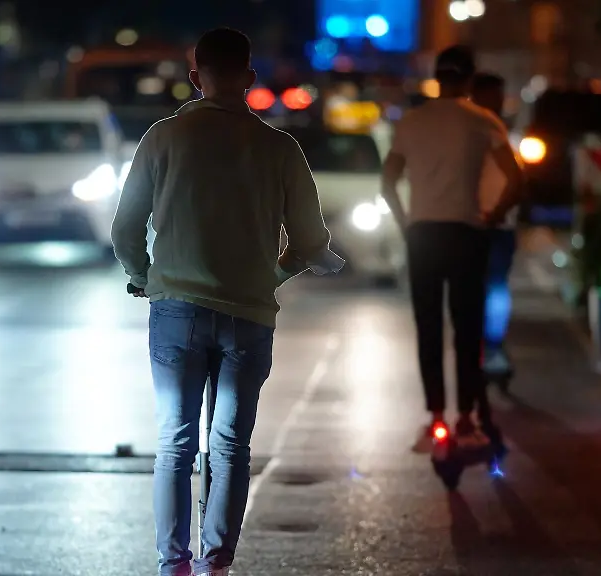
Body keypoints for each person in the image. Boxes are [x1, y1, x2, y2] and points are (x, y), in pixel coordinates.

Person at [111, 27, 340, 576]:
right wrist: (271, 276)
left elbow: (124, 231)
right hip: (248, 316)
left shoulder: (162, 139)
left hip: (175, 311)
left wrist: (146, 278)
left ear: (196, 78)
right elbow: (310, 244)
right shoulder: (280, 148)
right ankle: (218, 561)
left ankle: (174, 563)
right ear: (251, 80)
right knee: (231, 445)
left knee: (174, 443)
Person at [379, 45, 523, 449]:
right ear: (469, 78)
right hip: (467, 232)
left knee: (427, 325)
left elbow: (388, 181)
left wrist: (406, 222)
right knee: (467, 327)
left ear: (437, 76)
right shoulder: (482, 121)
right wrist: (492, 216)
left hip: (423, 232)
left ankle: (435, 415)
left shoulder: (411, 121)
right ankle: (465, 417)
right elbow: (514, 179)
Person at [470, 72, 518, 378]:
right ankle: (490, 346)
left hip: (486, 221)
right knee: (493, 285)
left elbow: (515, 177)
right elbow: (515, 177)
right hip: (488, 221)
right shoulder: (491, 128)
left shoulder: (483, 128)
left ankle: (488, 346)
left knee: (489, 285)